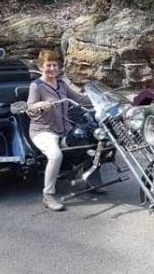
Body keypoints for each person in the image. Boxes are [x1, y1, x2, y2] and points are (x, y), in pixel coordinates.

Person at [27, 50, 92, 211]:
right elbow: (29, 108)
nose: (52, 68)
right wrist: (40, 105)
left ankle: (88, 181)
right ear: (41, 67)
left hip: (64, 128)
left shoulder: (62, 84)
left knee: (93, 142)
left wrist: (102, 97)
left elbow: (81, 99)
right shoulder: (36, 86)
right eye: (48, 65)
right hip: (44, 130)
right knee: (55, 155)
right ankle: (48, 195)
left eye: (54, 64)